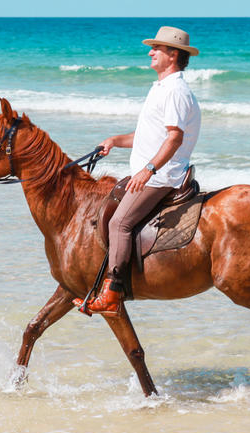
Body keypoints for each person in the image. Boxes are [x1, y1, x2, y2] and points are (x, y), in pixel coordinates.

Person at [73, 26, 201, 316]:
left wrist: (149, 169)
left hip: (162, 176)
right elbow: (149, 136)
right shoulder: (161, 87)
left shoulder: (176, 91)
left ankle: (113, 292)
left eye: (157, 48)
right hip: (152, 171)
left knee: (120, 223)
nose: (150, 52)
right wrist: (115, 141)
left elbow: (174, 138)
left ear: (173, 55)